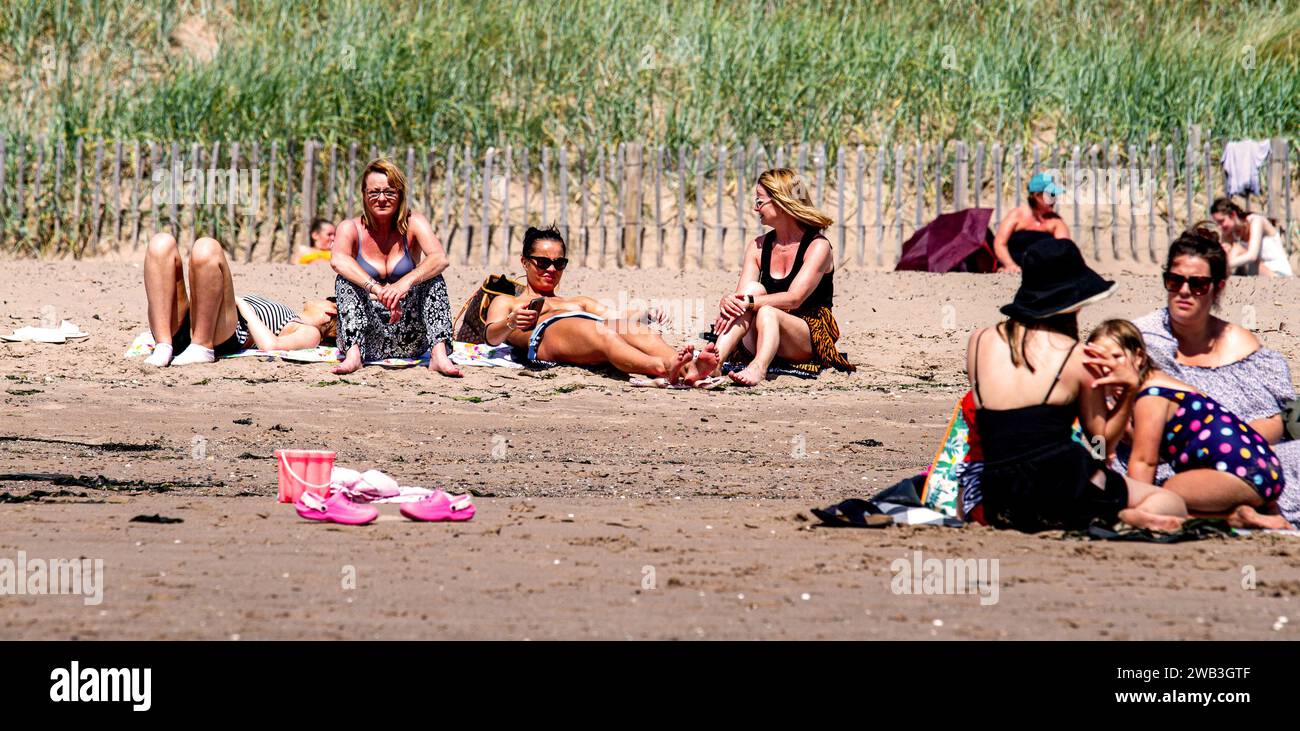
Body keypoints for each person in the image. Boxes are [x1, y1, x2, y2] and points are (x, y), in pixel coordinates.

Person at [965, 237, 1187, 533]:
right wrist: (1129, 391)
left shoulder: (979, 341)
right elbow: (1101, 442)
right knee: (1171, 503)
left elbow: (1005, 425)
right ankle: (1119, 515)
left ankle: (1107, 511)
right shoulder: (1078, 357)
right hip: (1062, 487)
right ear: (1073, 302)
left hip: (999, 494)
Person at [1126, 224, 1300, 528]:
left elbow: (1273, 421)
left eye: (1198, 285)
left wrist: (1225, 445)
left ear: (1218, 287)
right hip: (1164, 459)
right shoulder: (1143, 342)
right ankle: (1233, 514)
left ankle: (1227, 508)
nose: (1183, 291)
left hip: (1245, 456)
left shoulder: (1240, 344)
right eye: (1175, 280)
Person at [1088, 320, 1289, 529]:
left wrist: (1140, 501)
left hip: (1240, 471)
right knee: (1161, 496)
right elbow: (1100, 439)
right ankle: (1240, 517)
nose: (1108, 366)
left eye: (1116, 357)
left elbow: (1144, 460)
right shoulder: (1127, 390)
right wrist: (1099, 451)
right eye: (1099, 359)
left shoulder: (1151, 395)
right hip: (1259, 468)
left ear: (1139, 357)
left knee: (1164, 495)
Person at [484, 226, 714, 383]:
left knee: (640, 332)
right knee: (605, 333)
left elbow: (617, 317)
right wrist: (510, 323)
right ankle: (662, 368)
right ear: (525, 262)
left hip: (590, 329)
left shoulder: (577, 301)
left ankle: (690, 369)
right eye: (543, 262)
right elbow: (491, 337)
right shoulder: (508, 301)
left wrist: (645, 312)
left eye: (559, 263)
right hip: (546, 338)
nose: (551, 270)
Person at [710, 168, 855, 386]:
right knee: (753, 290)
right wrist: (731, 301)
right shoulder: (758, 246)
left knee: (766, 310)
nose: (754, 208)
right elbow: (744, 297)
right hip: (761, 332)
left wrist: (747, 302)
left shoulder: (818, 247)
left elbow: (794, 299)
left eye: (759, 202)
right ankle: (715, 361)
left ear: (780, 202)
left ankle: (758, 367)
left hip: (804, 335)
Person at [330, 158, 460, 376]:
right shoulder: (349, 227)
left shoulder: (414, 222)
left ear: (400, 194)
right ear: (364, 194)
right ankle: (353, 356)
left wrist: (404, 283)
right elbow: (338, 261)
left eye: (389, 192)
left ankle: (438, 355)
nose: (381, 198)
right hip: (366, 336)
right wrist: (377, 289)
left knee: (433, 278)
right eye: (374, 192)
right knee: (344, 280)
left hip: (410, 336)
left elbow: (439, 258)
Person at [141, 232, 336, 367]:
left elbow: (272, 346)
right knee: (161, 243)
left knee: (207, 247)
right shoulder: (292, 314)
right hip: (194, 324)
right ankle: (164, 344)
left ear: (331, 310)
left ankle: (201, 347)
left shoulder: (311, 332)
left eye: (328, 299)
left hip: (223, 335)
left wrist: (243, 305)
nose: (320, 299)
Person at [991, 172, 1071, 273]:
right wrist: (1010, 265)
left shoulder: (1056, 221)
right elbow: (1000, 243)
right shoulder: (1017, 215)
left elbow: (1064, 248)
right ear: (1037, 195)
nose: (1054, 199)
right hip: (1015, 265)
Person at [1209, 197, 1293, 277]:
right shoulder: (1229, 230)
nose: (1220, 226)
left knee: (1237, 249)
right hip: (1259, 274)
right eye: (1217, 223)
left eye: (1221, 221)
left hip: (1279, 275)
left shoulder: (1256, 221)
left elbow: (1252, 256)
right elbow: (1223, 255)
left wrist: (1225, 266)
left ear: (1233, 215)